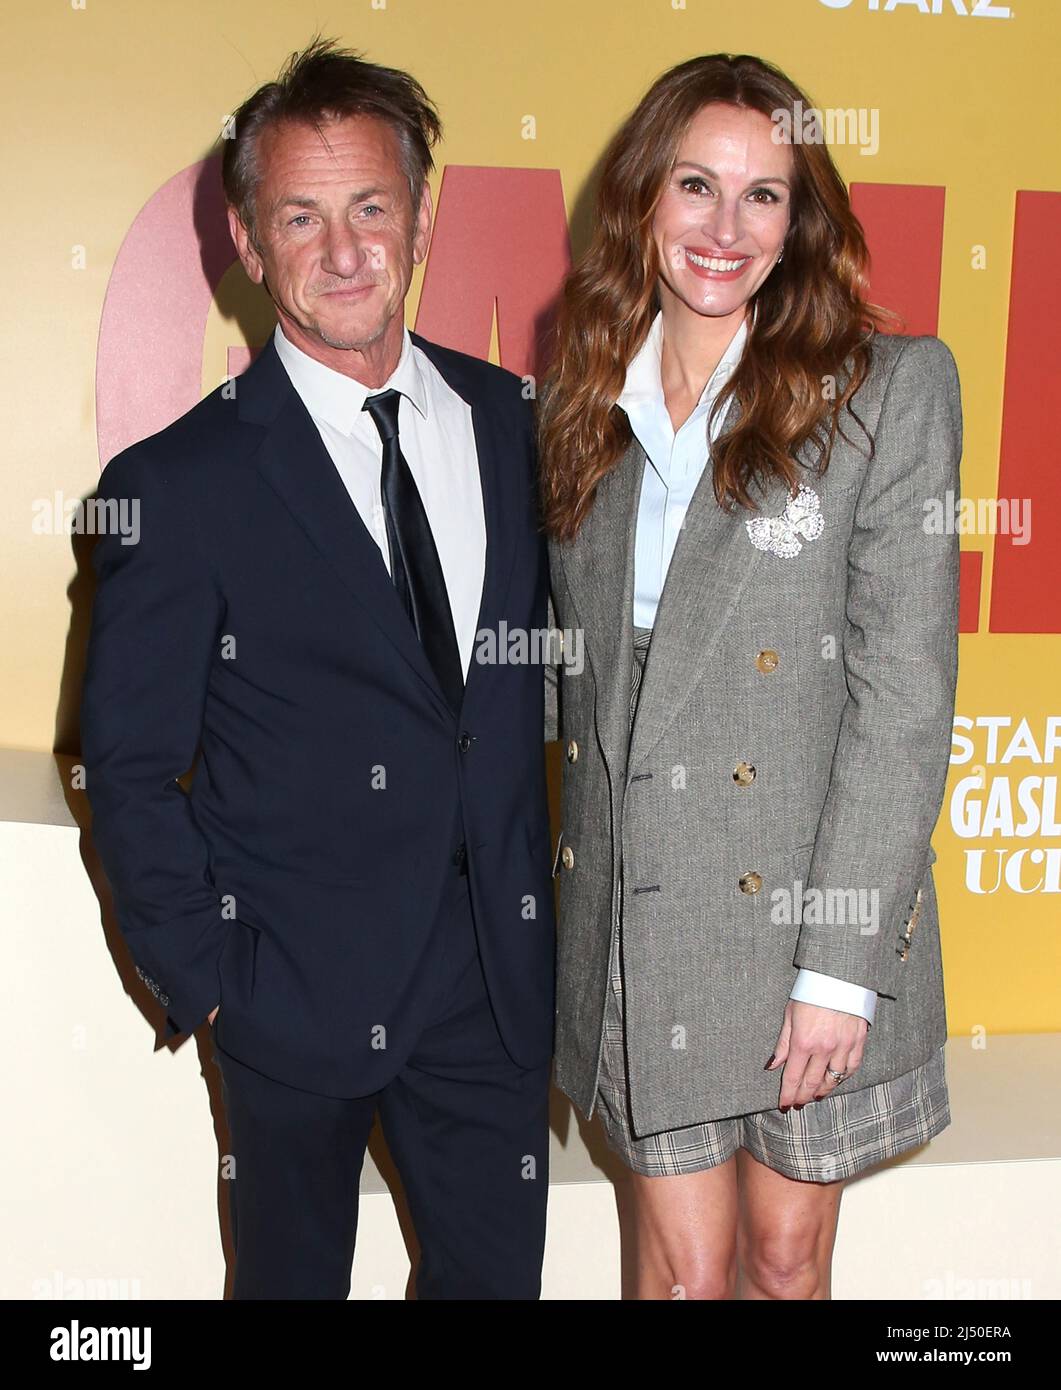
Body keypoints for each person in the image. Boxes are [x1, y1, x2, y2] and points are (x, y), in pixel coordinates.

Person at [81, 37, 556, 1300]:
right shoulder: (177, 485)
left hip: (493, 999)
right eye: (301, 216)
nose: (344, 251)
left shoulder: (517, 427)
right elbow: (125, 765)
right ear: (247, 241)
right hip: (284, 997)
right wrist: (211, 983)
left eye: (371, 209)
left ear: (423, 220)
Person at [538, 52, 961, 1299]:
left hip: (803, 917)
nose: (724, 227)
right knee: (680, 1275)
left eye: (761, 194)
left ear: (797, 218)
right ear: (641, 197)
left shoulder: (883, 393)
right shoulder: (577, 401)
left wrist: (837, 968)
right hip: (646, 917)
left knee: (784, 1262)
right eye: (694, 185)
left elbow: (900, 700)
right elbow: (571, 677)